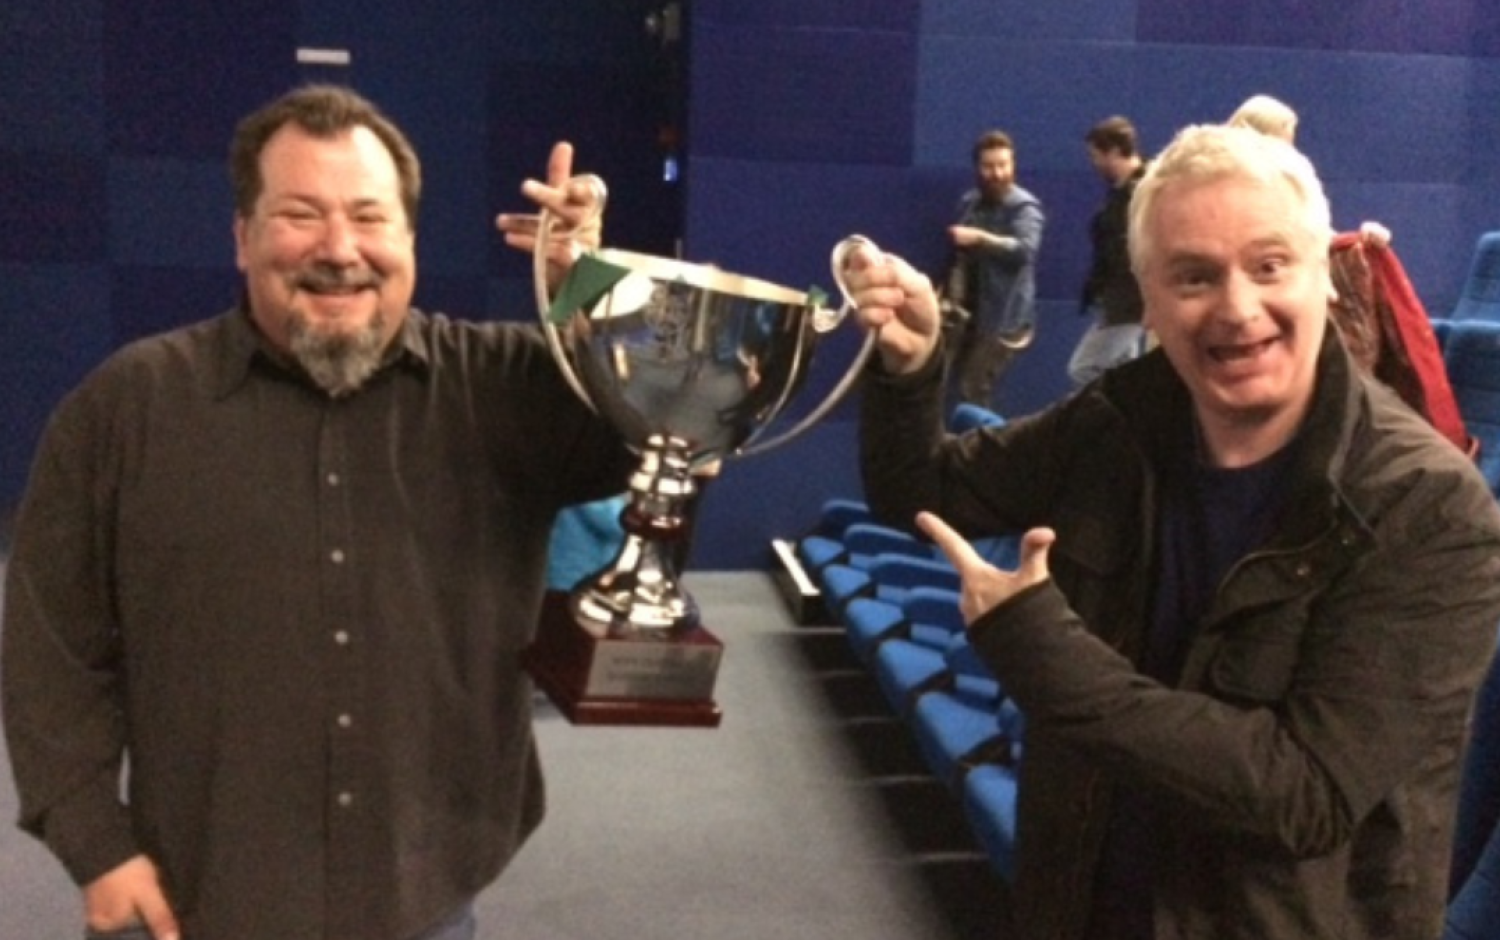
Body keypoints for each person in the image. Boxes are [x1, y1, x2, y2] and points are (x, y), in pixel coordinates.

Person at [1, 85, 636, 940]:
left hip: (427, 902)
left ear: (409, 240)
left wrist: (596, 303)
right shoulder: (128, 408)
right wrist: (93, 841)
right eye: (300, 214)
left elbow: (656, 439)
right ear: (242, 237)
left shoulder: (507, 393)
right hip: (193, 906)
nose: (340, 250)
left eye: (370, 218)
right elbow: (50, 644)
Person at [842, 123, 1500, 939]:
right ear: (1147, 299)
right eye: (1193, 276)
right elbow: (924, 489)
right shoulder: (1120, 419)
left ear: (1323, 279)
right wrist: (913, 367)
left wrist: (1046, 656)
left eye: (1269, 266)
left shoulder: (1431, 507)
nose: (1236, 308)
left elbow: (1305, 796)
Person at [1228, 93, 1472, 453]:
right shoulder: (1227, 191)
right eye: (1283, 143)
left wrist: (1363, 239)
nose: (1289, 153)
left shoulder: (1291, 187)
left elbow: (1314, 237)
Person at [940, 129, 1045, 409]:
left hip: (1003, 321)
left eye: (1004, 165)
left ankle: (980, 450)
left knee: (972, 391)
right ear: (977, 168)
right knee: (948, 387)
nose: (997, 173)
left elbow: (1024, 250)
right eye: (989, 166)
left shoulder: (1025, 208)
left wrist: (980, 238)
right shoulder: (969, 203)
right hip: (967, 317)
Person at [1068, 116, 1149, 387]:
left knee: (1083, 368)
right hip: (1123, 303)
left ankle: (1112, 424)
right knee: (1127, 376)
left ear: (1114, 151)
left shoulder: (1144, 195)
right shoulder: (1124, 195)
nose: (1094, 164)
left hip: (1130, 305)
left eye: (1096, 156)